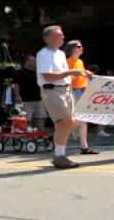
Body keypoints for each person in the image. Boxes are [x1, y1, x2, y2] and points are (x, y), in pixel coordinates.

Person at [36, 25, 92, 169]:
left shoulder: (60, 54)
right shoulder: (43, 54)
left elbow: (67, 74)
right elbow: (48, 76)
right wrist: (70, 73)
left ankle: (59, 153)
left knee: (72, 122)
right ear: (48, 38)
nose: (63, 37)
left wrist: (83, 73)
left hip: (66, 91)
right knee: (65, 123)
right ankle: (59, 156)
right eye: (59, 35)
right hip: (52, 91)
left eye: (62, 35)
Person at [65, 40, 99, 155]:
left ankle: (84, 147)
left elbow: (80, 75)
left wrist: (86, 75)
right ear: (72, 49)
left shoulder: (79, 61)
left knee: (82, 120)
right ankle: (81, 146)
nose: (81, 48)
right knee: (76, 120)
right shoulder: (68, 61)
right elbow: (67, 77)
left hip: (82, 90)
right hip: (74, 91)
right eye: (79, 46)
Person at [13, 55, 48, 129]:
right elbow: (16, 85)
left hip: (39, 100)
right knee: (26, 120)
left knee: (41, 118)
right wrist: (17, 95)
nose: (35, 62)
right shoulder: (20, 72)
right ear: (27, 62)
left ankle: (39, 137)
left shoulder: (38, 73)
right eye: (33, 61)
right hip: (26, 101)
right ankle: (27, 137)